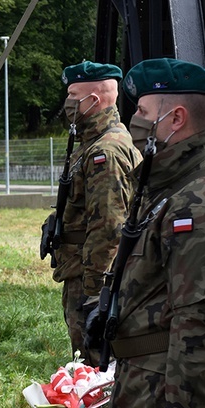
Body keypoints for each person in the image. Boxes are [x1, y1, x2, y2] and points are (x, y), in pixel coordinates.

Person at [105, 58, 205, 408]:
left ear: (176, 118)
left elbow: (196, 325)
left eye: (144, 113)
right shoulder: (167, 184)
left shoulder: (194, 203)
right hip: (147, 396)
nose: (135, 122)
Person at [51, 61, 141, 367]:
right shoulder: (89, 144)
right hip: (79, 268)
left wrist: (94, 293)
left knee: (96, 363)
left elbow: (109, 226)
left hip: (93, 277)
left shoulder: (108, 151)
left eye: (73, 95)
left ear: (95, 99)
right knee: (84, 359)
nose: (67, 103)